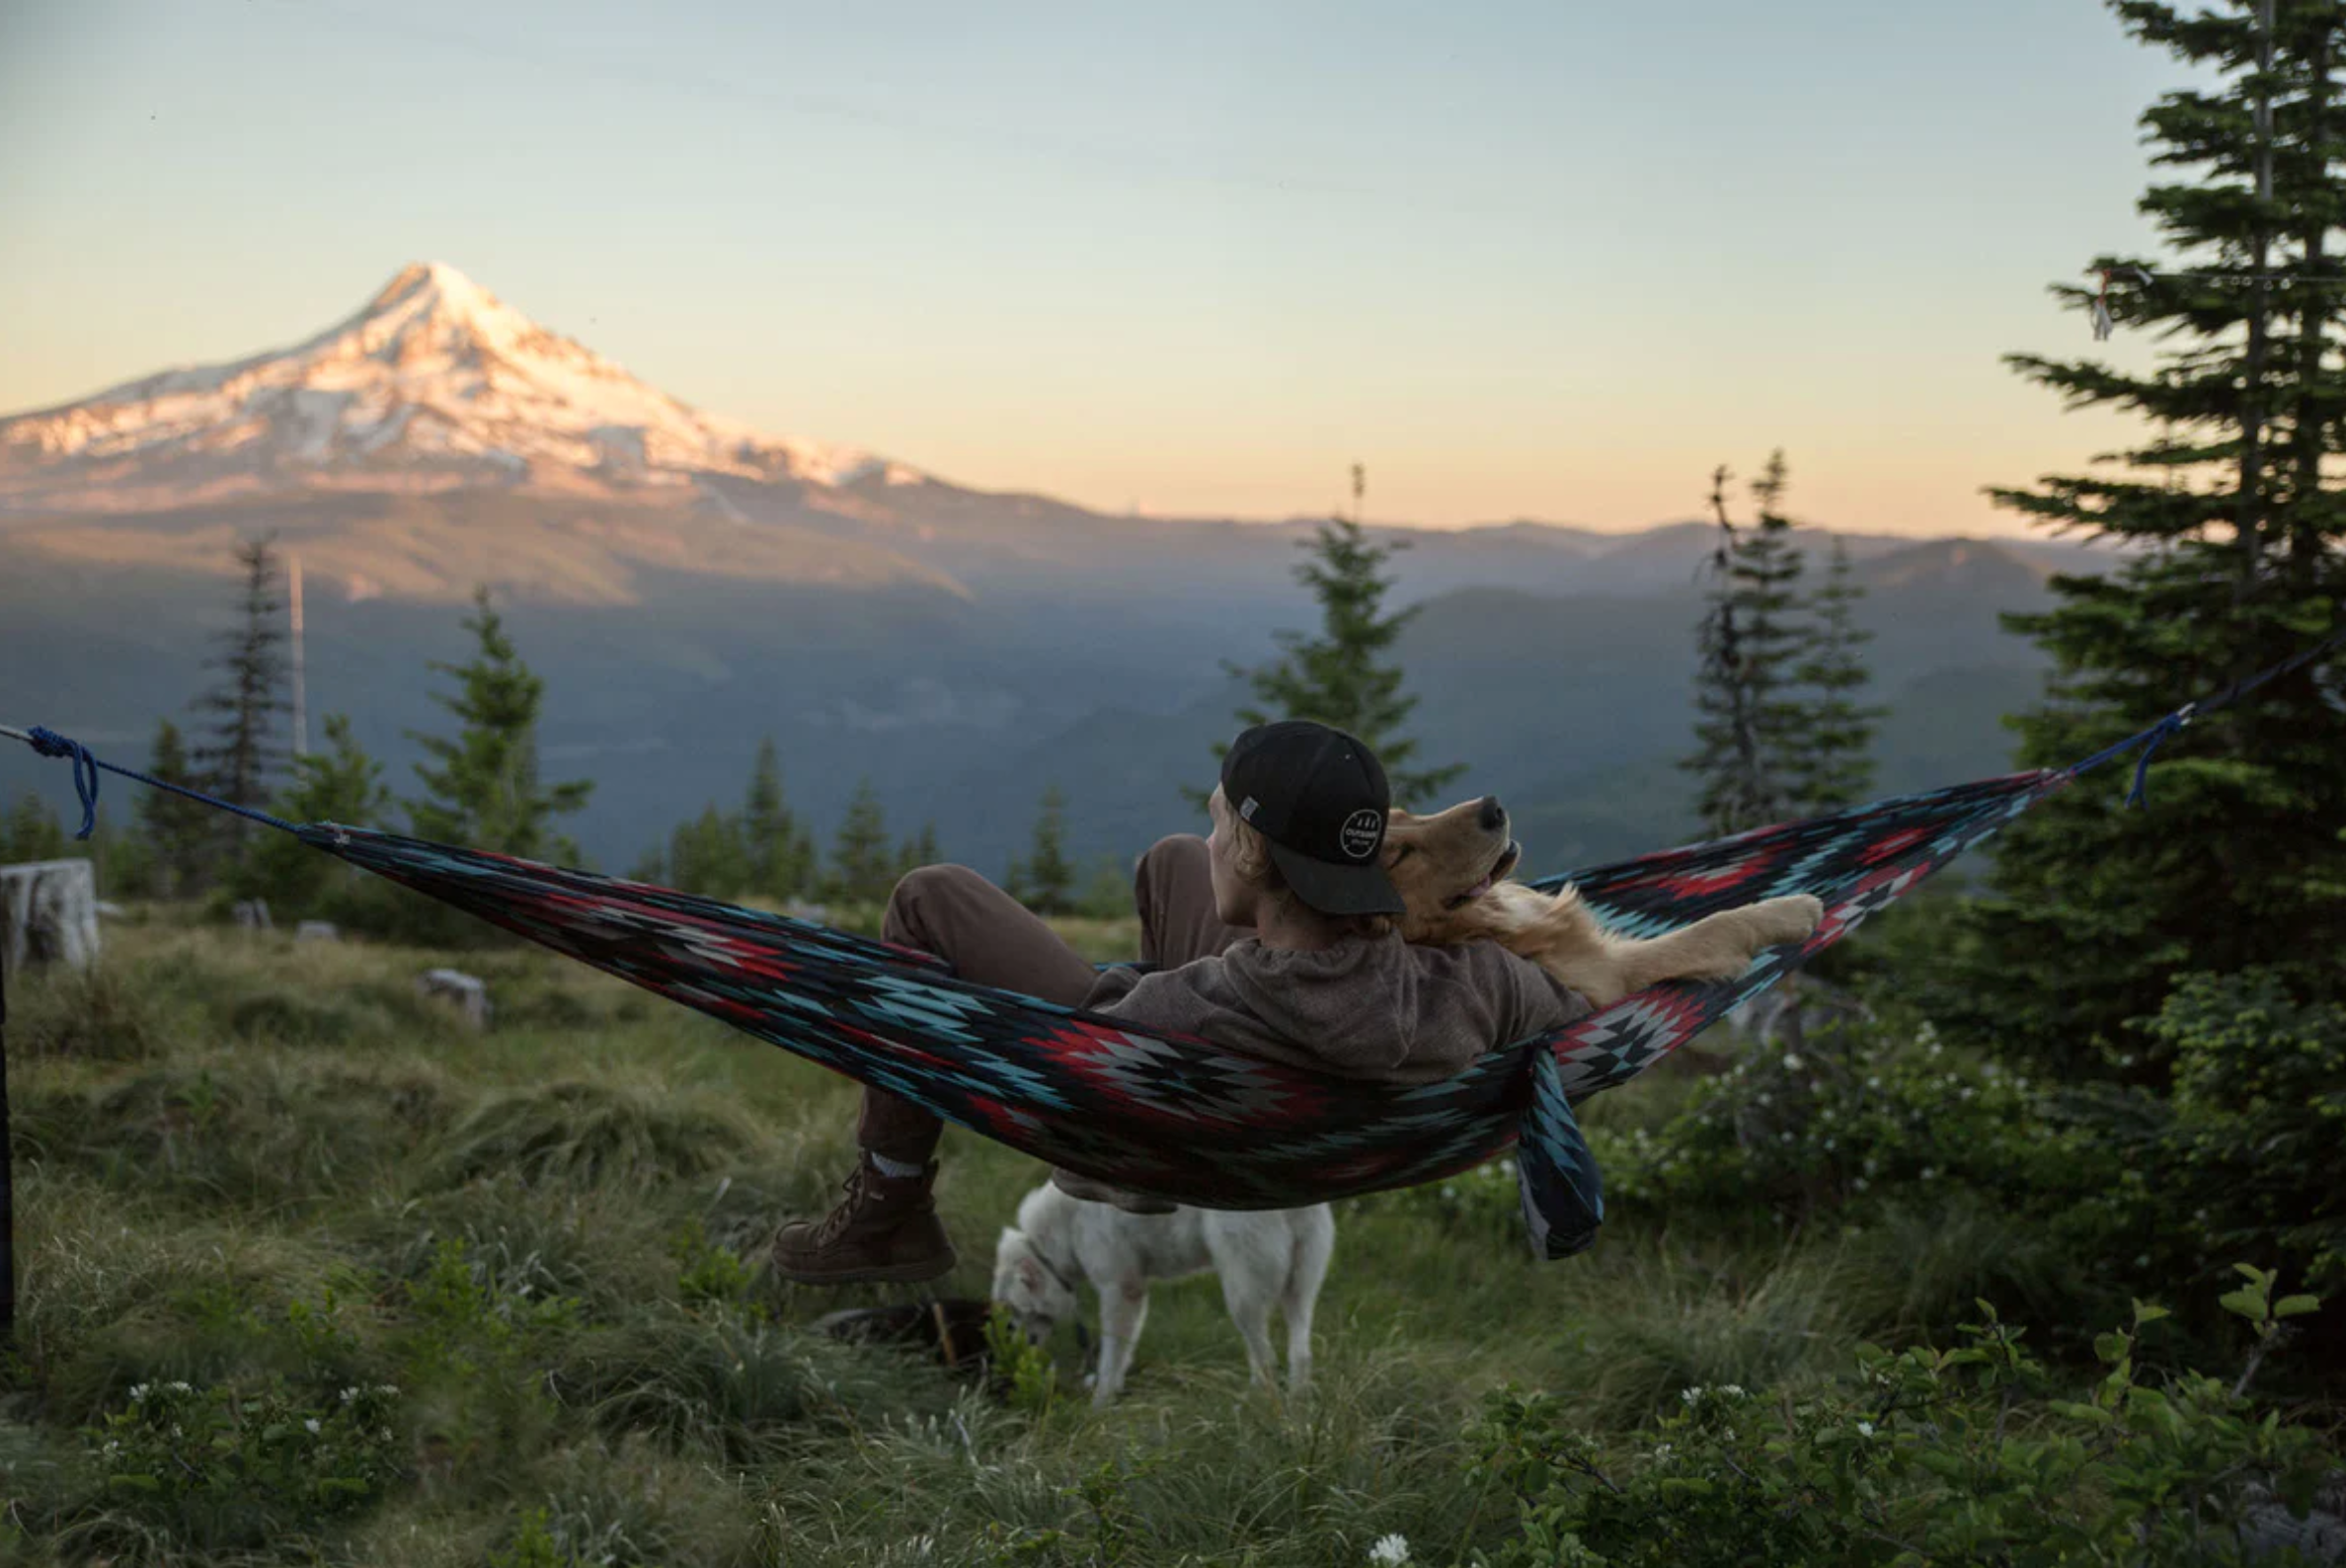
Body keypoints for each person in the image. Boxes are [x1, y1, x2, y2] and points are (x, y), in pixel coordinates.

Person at [770, 719, 1595, 1286]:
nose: (1208, 842)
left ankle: (889, 1209)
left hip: (1148, 1096)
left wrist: (1106, 1004)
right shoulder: (1467, 987)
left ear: (1252, 851)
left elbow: (1093, 1049)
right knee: (1166, 863)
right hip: (1295, 1072)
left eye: (1218, 826)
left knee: (928, 895)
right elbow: (1562, 998)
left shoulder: (1200, 1002)